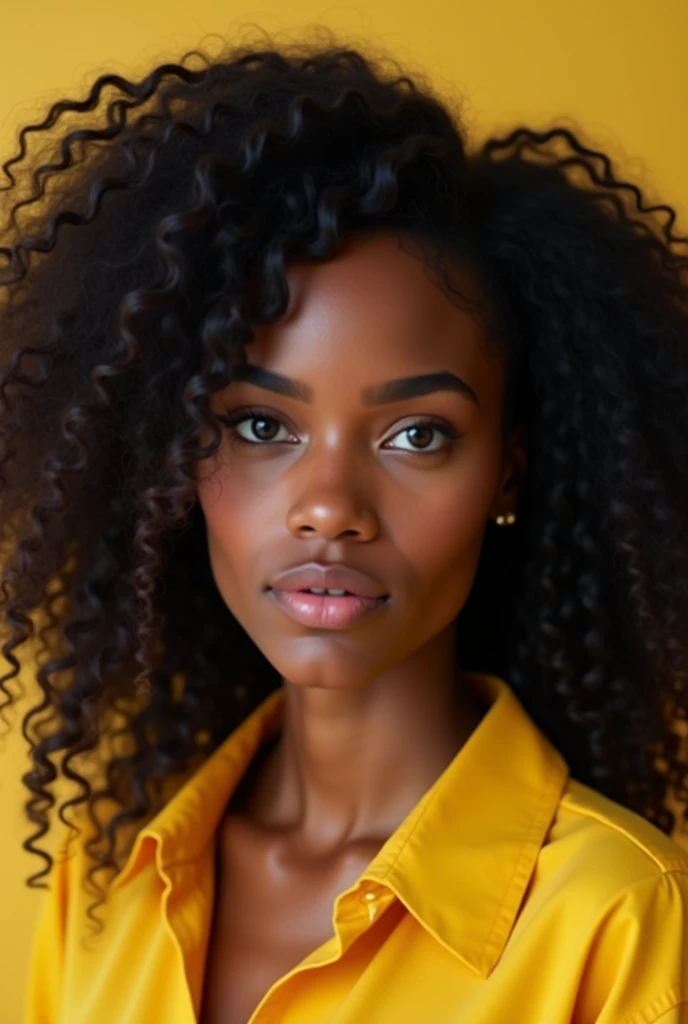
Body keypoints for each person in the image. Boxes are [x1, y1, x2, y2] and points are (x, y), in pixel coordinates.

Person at [4, 30, 687, 1024]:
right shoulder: (106, 878)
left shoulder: (617, 923)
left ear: (509, 468)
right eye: (259, 424)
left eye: (417, 433)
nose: (328, 504)